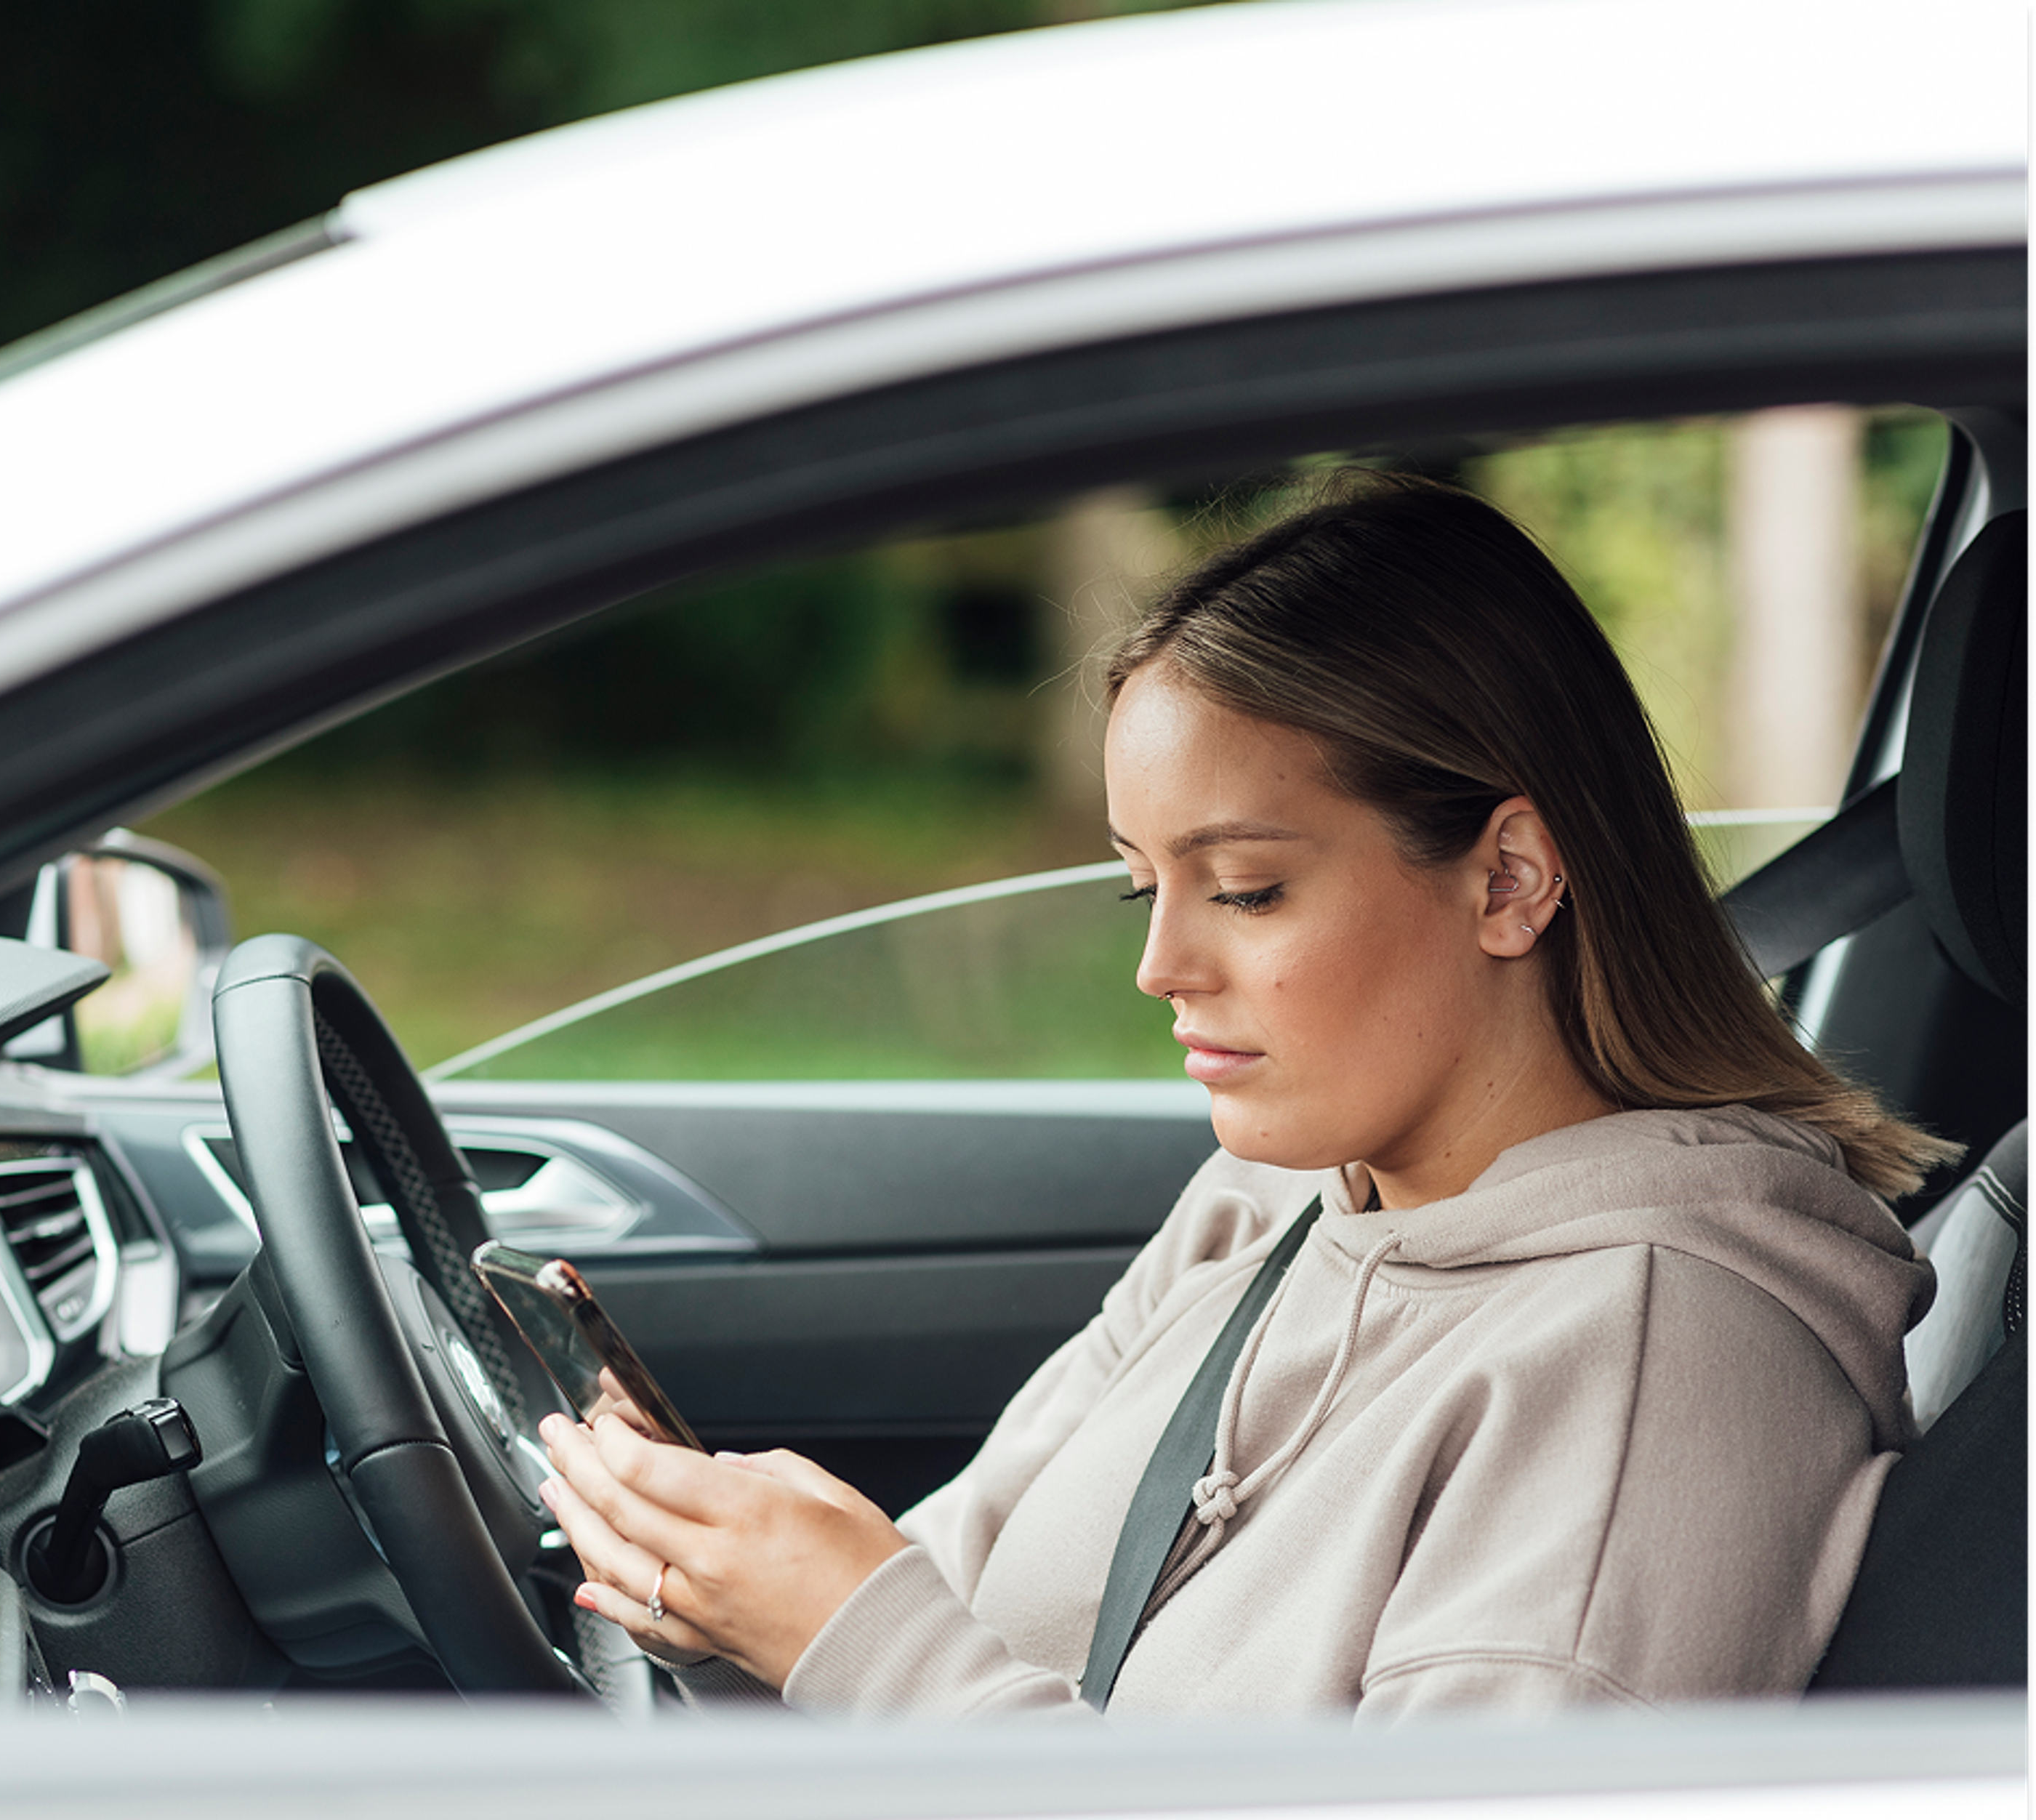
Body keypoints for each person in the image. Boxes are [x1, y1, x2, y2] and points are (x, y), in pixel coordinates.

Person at [534, 471, 1949, 1719]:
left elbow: (910, 1660)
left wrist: (868, 1643)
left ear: (1510, 876)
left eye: (1248, 889)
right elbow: (937, 1607)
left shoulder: (1657, 1364)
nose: (1159, 966)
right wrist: (720, 1594)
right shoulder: (1265, 1204)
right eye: (1146, 886)